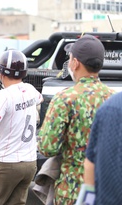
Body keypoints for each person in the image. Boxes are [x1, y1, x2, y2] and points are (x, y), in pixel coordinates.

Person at [37, 34, 115, 205]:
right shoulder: (114, 98)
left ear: (76, 63)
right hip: (106, 189)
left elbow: (47, 148)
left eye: (70, 57)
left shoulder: (65, 98)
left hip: (71, 191)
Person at [0, 50, 43, 205]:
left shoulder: (4, 95)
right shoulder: (31, 89)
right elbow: (40, 99)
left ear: (1, 72)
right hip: (30, 163)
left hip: (7, 163)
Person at [83, 92, 122, 205]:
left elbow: (48, 148)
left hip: (71, 183)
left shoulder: (111, 106)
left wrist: (88, 202)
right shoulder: (108, 95)